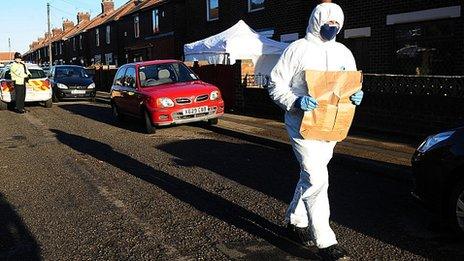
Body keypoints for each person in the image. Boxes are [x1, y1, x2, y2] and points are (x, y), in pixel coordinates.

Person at [268, 3, 363, 261]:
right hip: (301, 124)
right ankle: (325, 240)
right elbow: (275, 83)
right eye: (327, 22)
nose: (332, 27)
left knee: (310, 175)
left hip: (331, 124)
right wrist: (294, 101)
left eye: (336, 24)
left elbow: (351, 82)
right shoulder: (297, 49)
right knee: (317, 177)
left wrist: (355, 95)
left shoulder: (343, 52)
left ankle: (295, 220)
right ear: (315, 20)